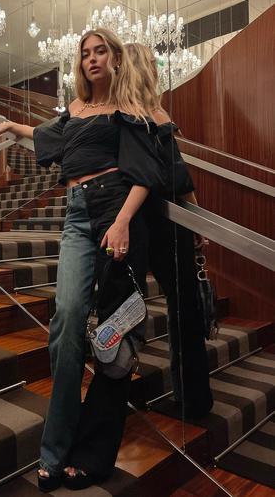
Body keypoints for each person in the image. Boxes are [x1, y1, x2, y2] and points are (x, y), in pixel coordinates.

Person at [0, 28, 166, 492]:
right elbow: (50, 136)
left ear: (115, 58)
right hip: (75, 214)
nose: (92, 59)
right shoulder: (74, 109)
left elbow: (146, 172)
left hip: (115, 209)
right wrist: (14, 127)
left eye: (100, 51)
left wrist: (124, 221)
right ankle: (57, 446)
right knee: (68, 317)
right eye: (85, 53)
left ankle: (88, 450)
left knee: (113, 331)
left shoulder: (129, 105)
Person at [122, 43, 213, 419]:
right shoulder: (153, 114)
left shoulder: (133, 115)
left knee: (137, 308)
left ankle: (180, 399)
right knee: (181, 309)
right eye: (153, 64)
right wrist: (195, 216)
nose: (158, 69)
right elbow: (179, 175)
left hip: (148, 220)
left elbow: (176, 173)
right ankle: (192, 399)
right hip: (164, 222)